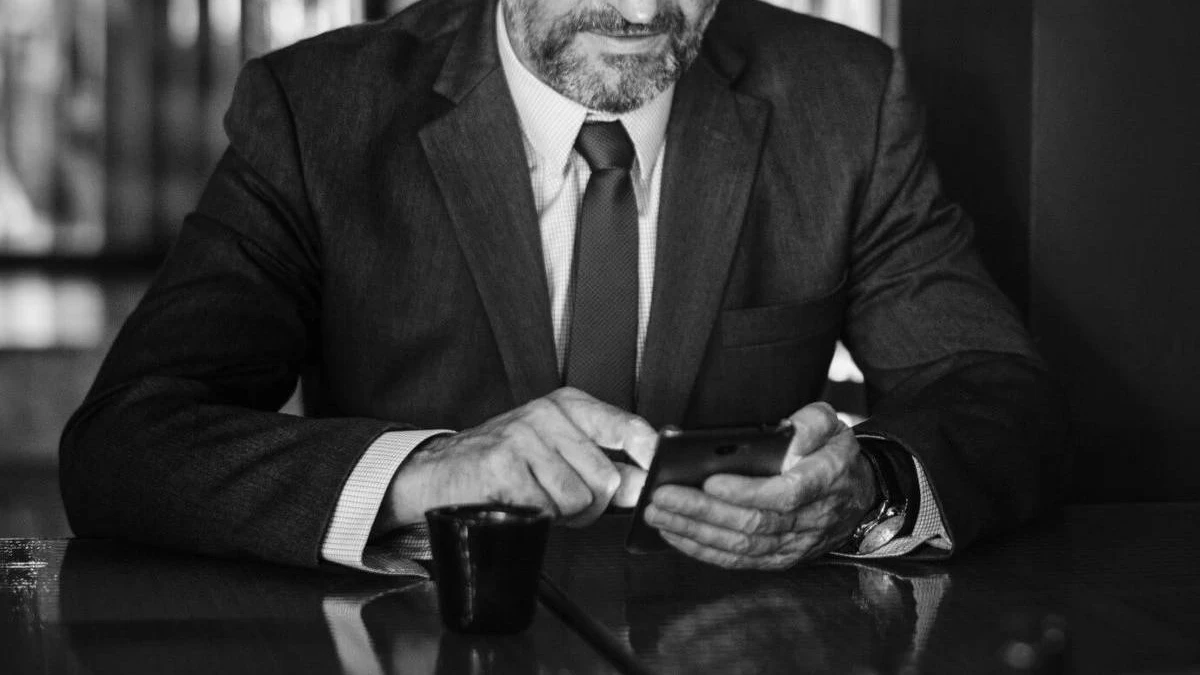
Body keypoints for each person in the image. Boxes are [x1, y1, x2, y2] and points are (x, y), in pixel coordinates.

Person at [60, 0, 1066, 574]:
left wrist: (866, 490)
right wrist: (428, 473)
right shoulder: (318, 110)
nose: (640, 12)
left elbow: (996, 393)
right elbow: (125, 445)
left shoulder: (847, 100)